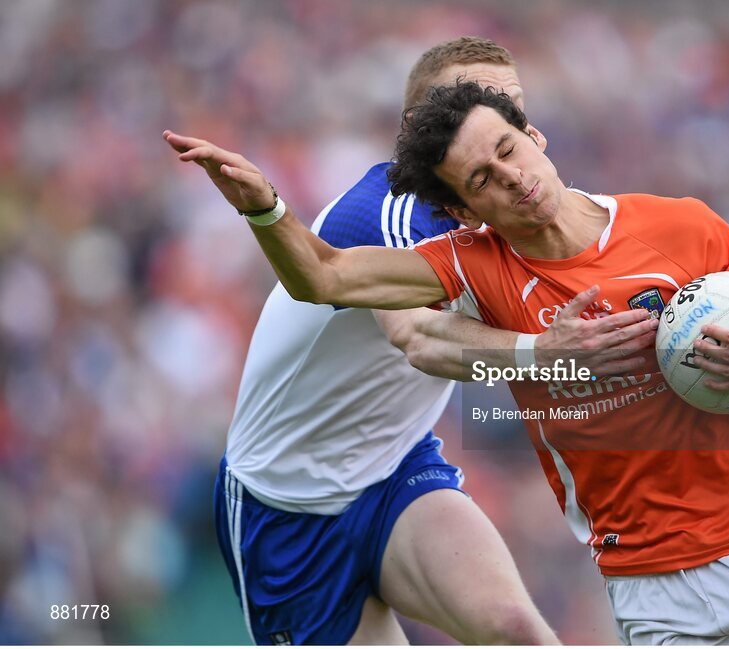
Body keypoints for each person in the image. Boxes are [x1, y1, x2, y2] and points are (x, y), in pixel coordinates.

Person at [165, 81, 729, 645]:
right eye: (481, 178)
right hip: (663, 587)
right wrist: (265, 208)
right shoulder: (474, 270)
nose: (509, 177)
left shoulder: (684, 225)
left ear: (536, 136)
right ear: (465, 209)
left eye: (508, 151)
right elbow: (325, 278)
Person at [201, 38, 655, 645]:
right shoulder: (390, 214)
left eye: (509, 109)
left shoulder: (512, 208)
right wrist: (547, 358)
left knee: (515, 629)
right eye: (467, 102)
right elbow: (418, 337)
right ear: (422, 127)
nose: (492, 123)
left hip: (395, 469)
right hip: (287, 505)